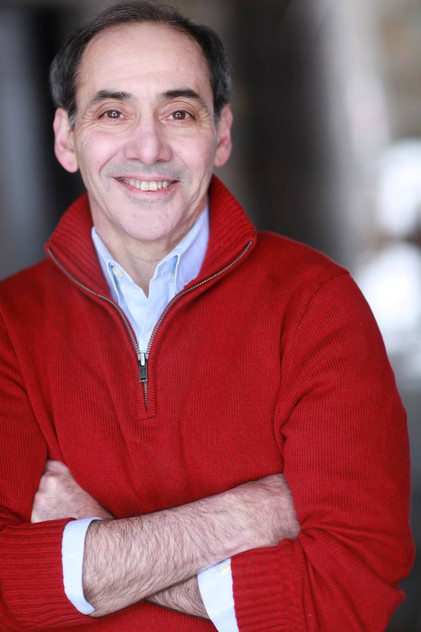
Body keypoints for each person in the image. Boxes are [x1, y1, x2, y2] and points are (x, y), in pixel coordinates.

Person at [0, 2, 413, 631]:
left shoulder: (317, 304)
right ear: (65, 138)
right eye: (113, 112)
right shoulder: (9, 325)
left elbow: (348, 595)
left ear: (220, 135)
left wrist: (94, 547)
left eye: (179, 113)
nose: (148, 147)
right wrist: (239, 519)